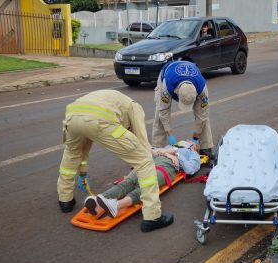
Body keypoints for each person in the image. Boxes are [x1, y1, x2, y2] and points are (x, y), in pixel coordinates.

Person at [57, 89, 173, 232]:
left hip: (72, 116)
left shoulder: (114, 100)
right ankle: (153, 217)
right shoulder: (135, 107)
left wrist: (82, 172)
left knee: (71, 156)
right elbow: (142, 142)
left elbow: (84, 147)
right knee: (145, 162)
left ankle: (65, 200)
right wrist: (145, 155)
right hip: (100, 120)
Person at [84, 140, 201, 218]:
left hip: (166, 167)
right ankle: (100, 201)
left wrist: (175, 154)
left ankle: (116, 205)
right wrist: (162, 151)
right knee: (129, 181)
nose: (188, 141)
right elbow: (152, 151)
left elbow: (190, 169)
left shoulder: (193, 154)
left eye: (191, 142)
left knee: (144, 187)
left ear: (194, 147)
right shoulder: (169, 146)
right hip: (149, 162)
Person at [152, 60, 213, 157]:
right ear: (177, 92)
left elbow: (203, 114)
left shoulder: (202, 87)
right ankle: (157, 148)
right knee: (159, 115)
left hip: (193, 78)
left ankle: (206, 147)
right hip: (169, 73)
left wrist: (195, 138)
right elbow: (163, 111)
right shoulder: (168, 84)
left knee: (204, 117)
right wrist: (170, 134)